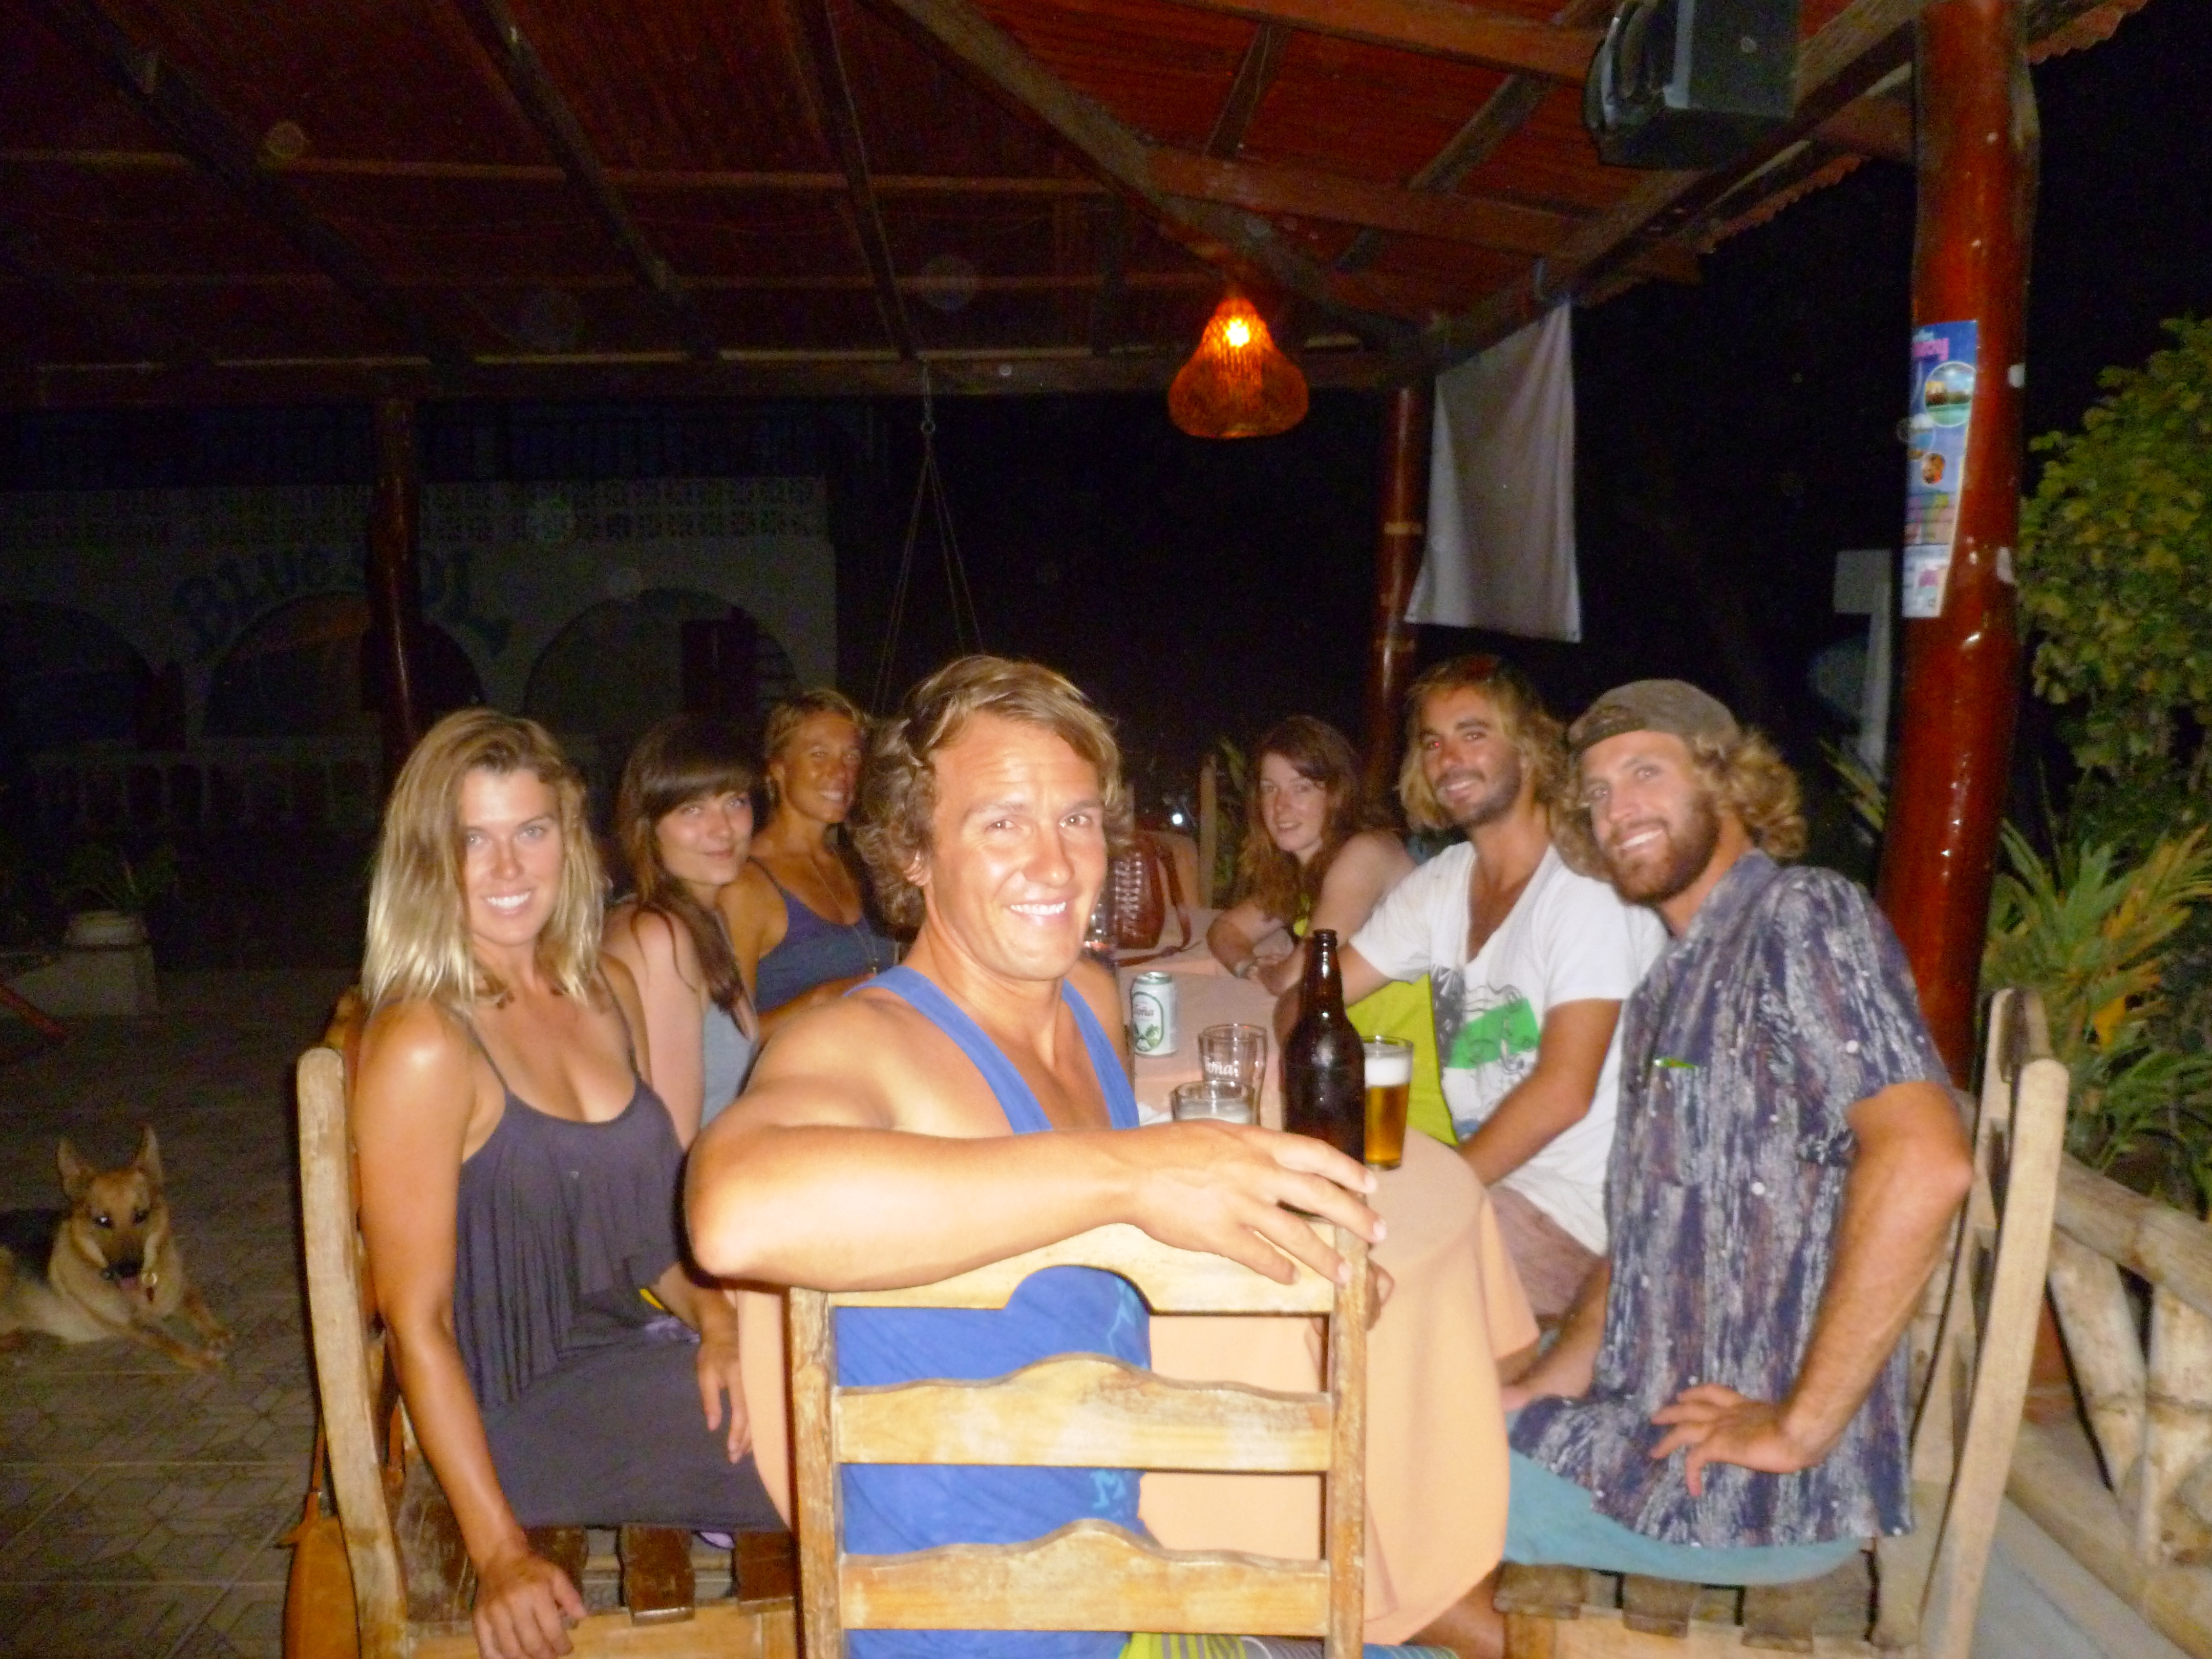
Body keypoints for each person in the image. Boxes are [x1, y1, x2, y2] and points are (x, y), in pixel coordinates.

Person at [686, 655, 1383, 1659]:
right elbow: (735, 1213)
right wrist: (1137, 1171)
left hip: (1120, 1585)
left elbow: (1087, 1247)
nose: (1057, 867)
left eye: (1077, 819)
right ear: (914, 851)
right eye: (1003, 823)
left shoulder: (1090, 1004)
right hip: (974, 1632)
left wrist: (1296, 1252)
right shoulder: (867, 1044)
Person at [1449, 680, 1974, 1658]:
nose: (1619, 809)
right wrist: (1543, 1386)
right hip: (1635, 1421)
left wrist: (1797, 1429)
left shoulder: (1801, 918)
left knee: (1377, 1484)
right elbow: (1642, 1242)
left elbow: (1927, 1158)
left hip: (1743, 1490)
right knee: (1418, 1409)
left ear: (1730, 782)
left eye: (1647, 773)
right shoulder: (1666, 986)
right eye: (1598, 793)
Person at [351, 710, 780, 1659]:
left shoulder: (598, 990)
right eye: (474, 840)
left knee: (864, 1361)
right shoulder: (426, 1041)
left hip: (633, 1350)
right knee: (852, 1444)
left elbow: (648, 1231)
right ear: (428, 859)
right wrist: (500, 1551)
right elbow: (417, 1322)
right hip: (523, 1412)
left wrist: (717, 1322)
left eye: (531, 831)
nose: (508, 868)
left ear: (569, 839)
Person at [1288, 656, 1665, 1320]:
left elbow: (1563, 1093)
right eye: (1432, 742)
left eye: (1473, 733)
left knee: (1367, 1286)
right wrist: (1322, 1094)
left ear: (1528, 746)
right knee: (1299, 1239)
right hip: (1486, 1179)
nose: (1449, 759)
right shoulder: (1443, 884)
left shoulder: (1585, 887)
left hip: (1582, 1215)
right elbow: (1314, 996)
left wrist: (1435, 1193)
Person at [1208, 715, 1450, 1146]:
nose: (1281, 806)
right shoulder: (1305, 871)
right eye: (1269, 788)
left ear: (1337, 795)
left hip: (1413, 1105)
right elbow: (1225, 929)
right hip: (1355, 1085)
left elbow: (1299, 978)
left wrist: (1276, 973)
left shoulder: (1366, 854)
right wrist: (1250, 967)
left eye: (1302, 788)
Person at [604, 714, 762, 1145]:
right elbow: (671, 1142)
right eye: (692, 809)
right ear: (648, 827)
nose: (723, 829)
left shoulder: (706, 918)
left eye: (736, 801)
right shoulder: (658, 936)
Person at [718, 688, 898, 1031]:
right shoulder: (745, 884)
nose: (840, 772)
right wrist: (815, 1003)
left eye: (852, 756)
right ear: (778, 769)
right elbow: (729, 1038)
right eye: (819, 755)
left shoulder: (859, 866)